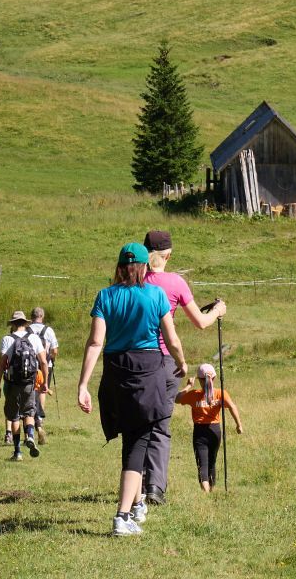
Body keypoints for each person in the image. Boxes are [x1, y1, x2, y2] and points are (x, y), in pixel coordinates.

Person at [77, 242, 189, 537]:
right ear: (144, 267)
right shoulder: (156, 295)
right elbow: (172, 339)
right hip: (147, 370)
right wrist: (181, 362)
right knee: (138, 442)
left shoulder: (105, 296)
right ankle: (122, 516)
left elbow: (95, 343)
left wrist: (83, 384)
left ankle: (138, 504)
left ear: (119, 267)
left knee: (131, 438)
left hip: (115, 372)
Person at [140, 229, 227, 506]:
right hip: (164, 359)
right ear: (168, 255)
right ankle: (155, 487)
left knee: (138, 423)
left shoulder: (135, 279)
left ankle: (137, 481)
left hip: (135, 358)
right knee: (160, 424)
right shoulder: (175, 282)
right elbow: (200, 322)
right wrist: (218, 310)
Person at [175, 363, 243, 492]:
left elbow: (177, 399)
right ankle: (211, 490)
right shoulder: (220, 393)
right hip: (215, 431)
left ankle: (206, 494)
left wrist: (188, 386)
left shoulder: (193, 395)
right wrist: (238, 425)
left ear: (199, 380)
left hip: (200, 432)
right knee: (212, 462)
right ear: (214, 378)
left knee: (202, 464)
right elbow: (232, 407)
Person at [0, 310, 49, 462]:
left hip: (12, 383)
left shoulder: (7, 339)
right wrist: (44, 382)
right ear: (25, 324)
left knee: (14, 417)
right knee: (29, 413)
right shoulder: (34, 338)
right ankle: (30, 435)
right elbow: (44, 362)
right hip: (29, 383)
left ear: (12, 324)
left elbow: (1, 365)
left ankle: (17, 452)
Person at [27, 307, 58, 443]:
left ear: (31, 317)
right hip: (45, 365)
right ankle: (39, 419)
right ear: (42, 317)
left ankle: (30, 419)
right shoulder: (48, 330)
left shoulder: (27, 330)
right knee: (42, 390)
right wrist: (50, 358)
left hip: (29, 365)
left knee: (29, 391)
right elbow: (54, 350)